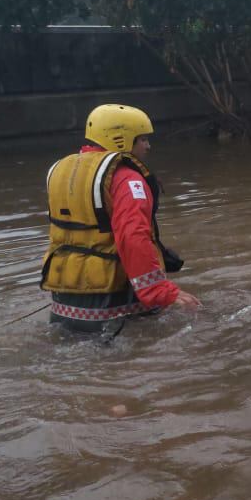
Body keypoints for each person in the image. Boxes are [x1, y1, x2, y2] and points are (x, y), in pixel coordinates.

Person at [41, 104, 201, 332]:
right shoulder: (126, 179)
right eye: (142, 138)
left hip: (63, 306)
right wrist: (161, 291)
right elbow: (133, 237)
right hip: (116, 309)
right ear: (121, 139)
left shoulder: (59, 171)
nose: (148, 146)